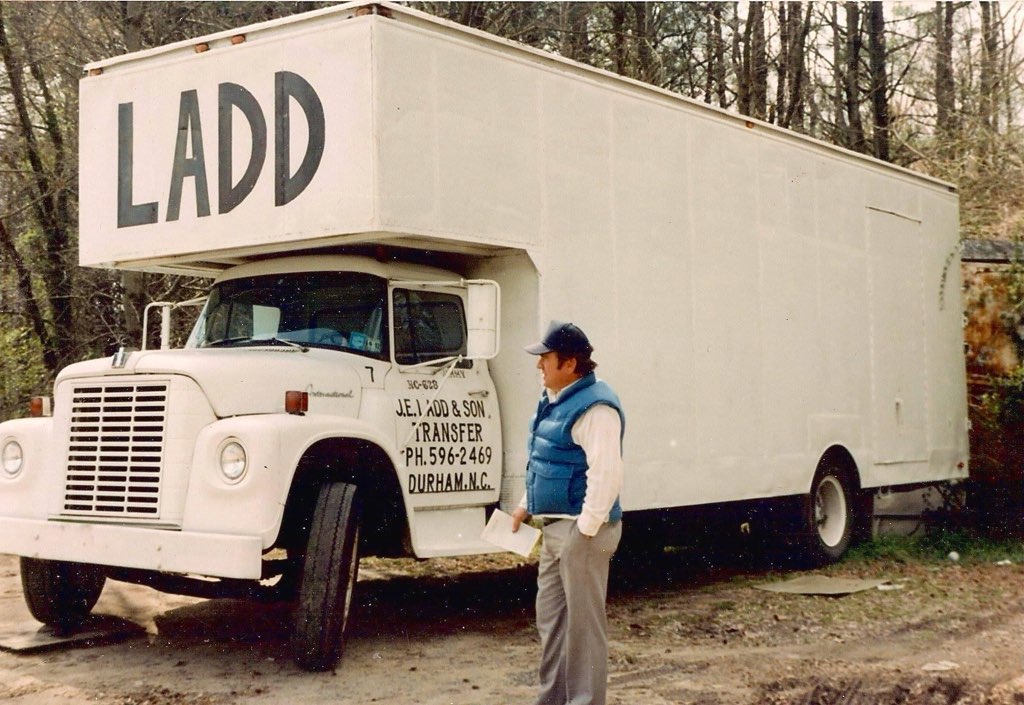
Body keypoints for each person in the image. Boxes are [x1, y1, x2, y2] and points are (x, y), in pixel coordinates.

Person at [511, 320, 625, 705]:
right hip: (559, 528)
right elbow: (545, 459)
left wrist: (586, 530)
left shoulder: (596, 408)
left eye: (546, 359)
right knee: (554, 623)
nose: (539, 366)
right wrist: (526, 505)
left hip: (582, 531)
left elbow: (606, 473)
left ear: (571, 364)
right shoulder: (557, 399)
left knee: (583, 630)